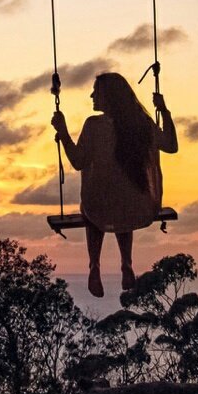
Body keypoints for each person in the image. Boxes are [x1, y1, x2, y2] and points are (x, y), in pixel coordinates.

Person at [51, 71, 178, 298]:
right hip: (138, 206)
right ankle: (126, 264)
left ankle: (94, 266)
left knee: (94, 207)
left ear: (108, 97)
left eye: (96, 92)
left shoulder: (94, 126)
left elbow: (78, 162)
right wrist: (164, 110)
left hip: (100, 206)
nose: (91, 95)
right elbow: (171, 145)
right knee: (126, 198)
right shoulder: (142, 124)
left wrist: (63, 131)